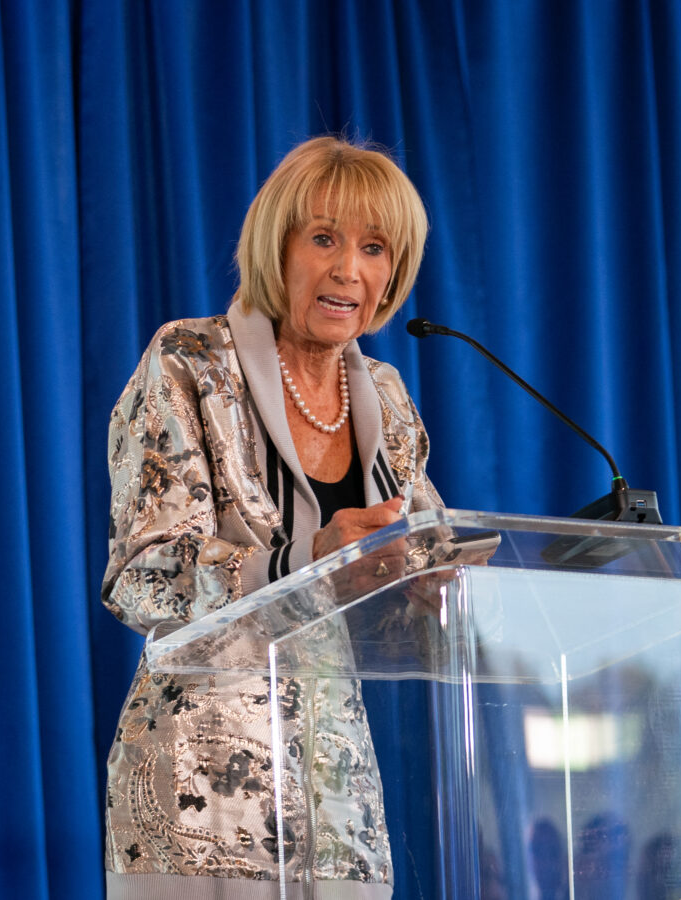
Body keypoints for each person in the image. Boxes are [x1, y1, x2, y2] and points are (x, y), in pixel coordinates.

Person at [101, 136, 442, 898]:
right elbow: (142, 576)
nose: (348, 270)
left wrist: (433, 586)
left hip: (338, 798)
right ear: (276, 247)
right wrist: (301, 561)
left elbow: (420, 558)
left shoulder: (386, 397)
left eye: (374, 248)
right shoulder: (191, 362)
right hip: (202, 793)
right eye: (323, 239)